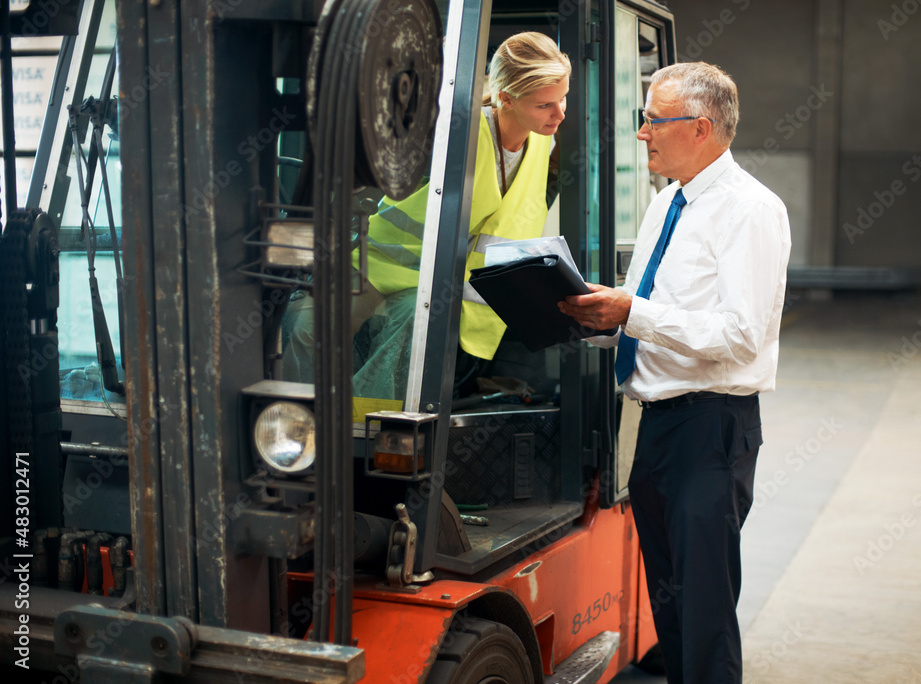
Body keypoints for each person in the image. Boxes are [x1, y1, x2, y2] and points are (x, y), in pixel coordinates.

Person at [558, 62, 791, 683]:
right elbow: (645, 313)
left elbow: (740, 337)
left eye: (653, 121)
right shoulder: (666, 204)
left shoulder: (751, 211)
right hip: (657, 426)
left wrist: (633, 311)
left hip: (711, 429)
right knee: (671, 601)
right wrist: (593, 316)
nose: (642, 134)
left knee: (705, 609)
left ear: (702, 128)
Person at [284, 31, 570, 401]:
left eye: (563, 99)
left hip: (439, 286)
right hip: (375, 267)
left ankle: (364, 428)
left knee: (415, 325)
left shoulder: (543, 144)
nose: (560, 114)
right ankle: (303, 428)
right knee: (305, 324)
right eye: (545, 105)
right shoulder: (453, 134)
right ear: (505, 98)